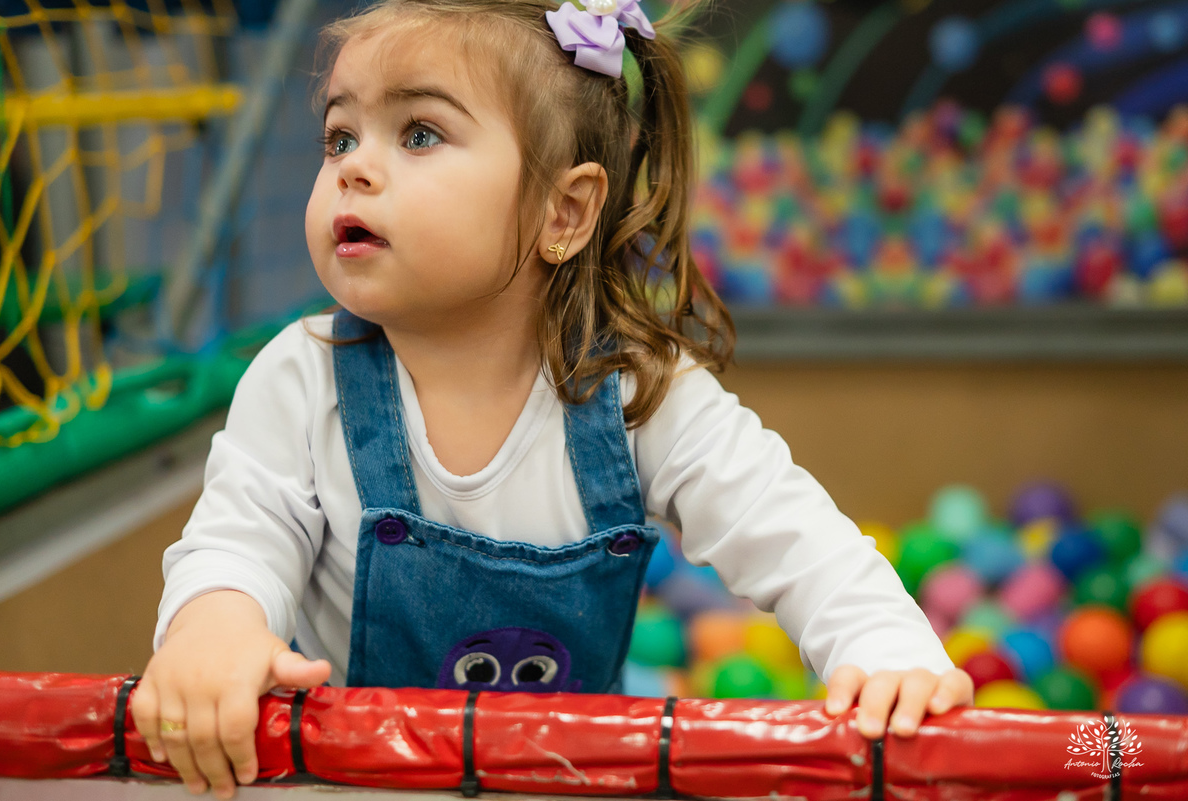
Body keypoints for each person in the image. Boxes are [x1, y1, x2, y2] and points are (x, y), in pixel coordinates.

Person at [132, 0, 973, 797]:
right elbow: (237, 539)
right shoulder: (300, 377)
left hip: (573, 781)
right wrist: (213, 626)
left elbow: (795, 533)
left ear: (563, 211)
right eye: (339, 134)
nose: (354, 164)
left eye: (420, 132)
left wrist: (884, 646)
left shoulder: (639, 391)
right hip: (353, 784)